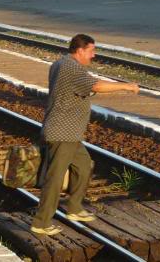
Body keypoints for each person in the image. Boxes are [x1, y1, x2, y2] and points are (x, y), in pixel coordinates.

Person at [31, 34, 139, 236]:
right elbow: (96, 86)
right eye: (91, 50)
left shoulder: (60, 63)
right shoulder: (71, 67)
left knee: (84, 165)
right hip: (62, 132)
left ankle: (74, 208)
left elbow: (89, 84)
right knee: (54, 178)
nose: (94, 55)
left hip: (69, 133)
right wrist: (126, 86)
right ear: (80, 50)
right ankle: (41, 222)